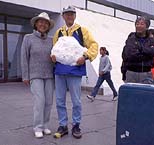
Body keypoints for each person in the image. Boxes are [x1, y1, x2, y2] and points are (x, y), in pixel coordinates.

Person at [51, 6, 98, 139]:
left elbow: (94, 45)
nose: (69, 17)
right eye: (67, 14)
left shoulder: (82, 31)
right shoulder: (58, 32)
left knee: (76, 101)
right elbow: (54, 49)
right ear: (63, 16)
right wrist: (53, 57)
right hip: (60, 71)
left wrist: (86, 56)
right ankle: (63, 125)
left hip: (75, 71)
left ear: (75, 16)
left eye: (72, 14)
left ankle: (76, 125)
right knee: (60, 100)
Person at [21, 12, 55, 138]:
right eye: (41, 22)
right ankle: (37, 126)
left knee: (49, 101)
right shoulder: (28, 38)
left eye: (46, 23)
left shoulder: (52, 40)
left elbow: (55, 57)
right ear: (36, 24)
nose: (43, 24)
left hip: (49, 75)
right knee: (39, 101)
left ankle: (45, 125)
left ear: (48, 26)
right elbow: (24, 57)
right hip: (35, 75)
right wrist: (25, 76)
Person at [121, 16, 154, 83]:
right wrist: (146, 54)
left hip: (146, 73)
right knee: (131, 93)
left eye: (142, 24)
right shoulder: (131, 38)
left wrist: (140, 50)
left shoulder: (152, 40)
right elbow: (131, 55)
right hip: (131, 72)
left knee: (145, 93)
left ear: (147, 27)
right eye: (137, 24)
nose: (138, 26)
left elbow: (153, 52)